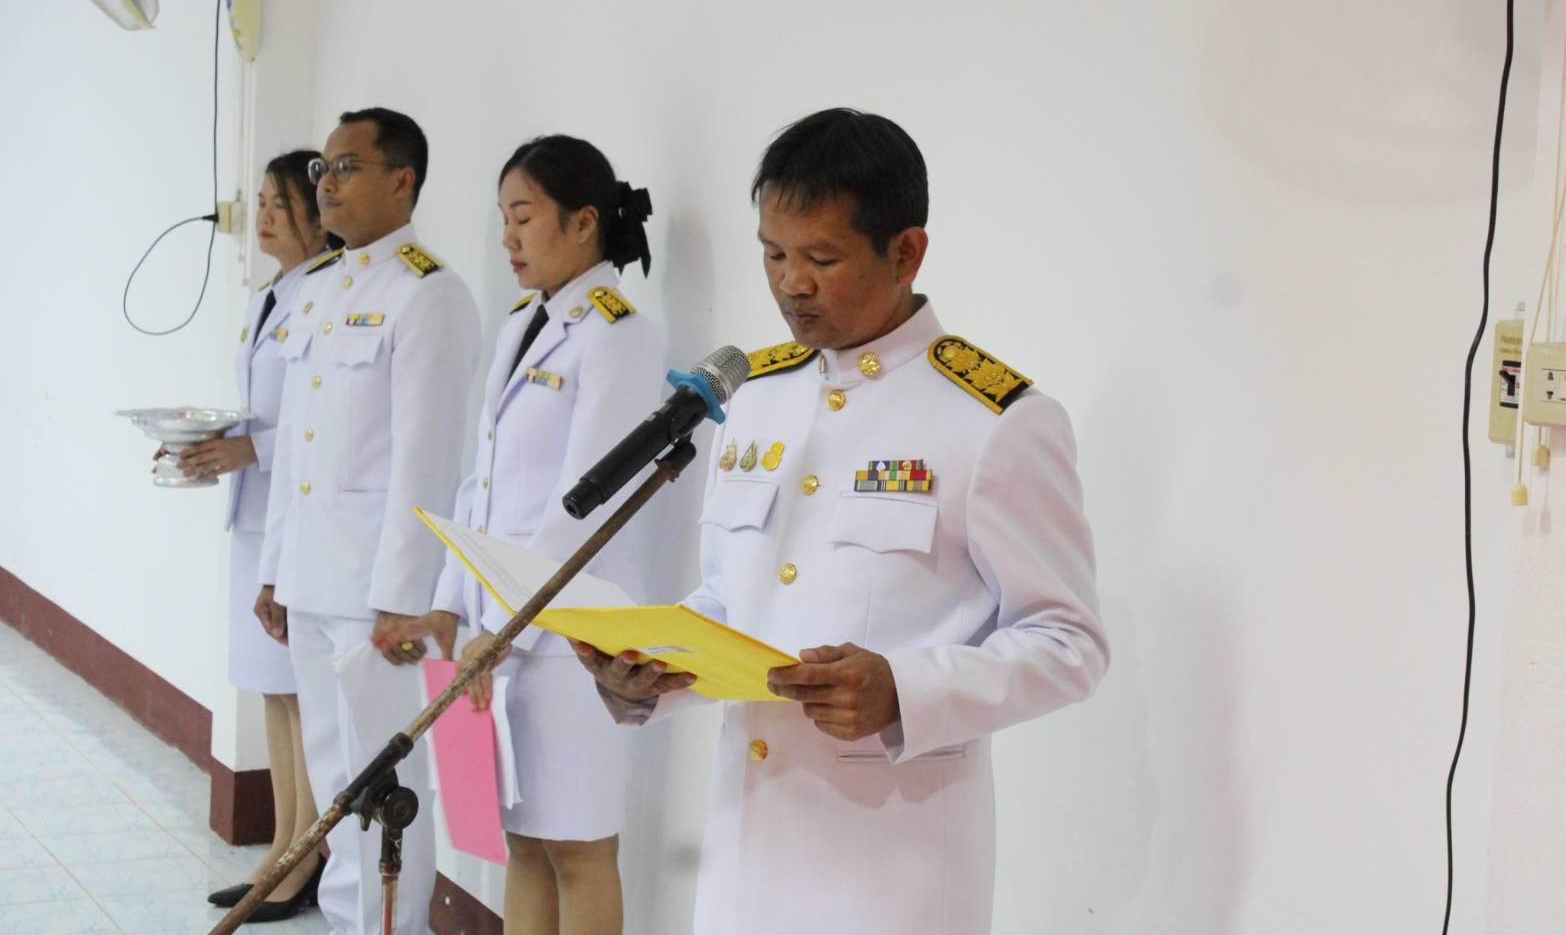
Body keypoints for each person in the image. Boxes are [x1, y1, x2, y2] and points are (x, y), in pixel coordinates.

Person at [573, 108, 1110, 933]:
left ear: (906, 252)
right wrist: (646, 674)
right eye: (773, 254)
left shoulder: (994, 421)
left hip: (891, 866)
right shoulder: (756, 398)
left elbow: (1069, 644)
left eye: (821, 258)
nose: (792, 283)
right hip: (747, 852)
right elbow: (731, 601)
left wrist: (905, 691)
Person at [416, 135, 662, 935]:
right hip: (500, 627)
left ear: (584, 221)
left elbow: (584, 503)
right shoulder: (525, 322)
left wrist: (505, 628)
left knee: (578, 848)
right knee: (520, 841)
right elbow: (483, 481)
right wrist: (451, 602)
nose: (508, 238)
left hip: (571, 634)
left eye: (523, 217)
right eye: (503, 218)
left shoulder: (618, 332)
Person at [257, 108, 481, 935]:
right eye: (322, 169)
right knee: (332, 782)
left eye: (347, 167)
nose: (327, 184)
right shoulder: (320, 289)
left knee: (384, 785)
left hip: (376, 598)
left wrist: (401, 599)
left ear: (402, 180)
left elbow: (428, 464)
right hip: (313, 579)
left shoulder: (429, 293)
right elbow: (297, 449)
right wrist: (274, 570)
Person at [169, 150, 330, 922]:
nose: (265, 215)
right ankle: (282, 846)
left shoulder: (328, 293)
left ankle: (304, 854)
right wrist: (212, 445)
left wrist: (251, 449)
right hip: (255, 512)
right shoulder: (271, 293)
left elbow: (320, 417)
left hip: (295, 514)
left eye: (280, 202)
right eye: (261, 201)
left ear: (318, 213)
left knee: (299, 689)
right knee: (273, 684)